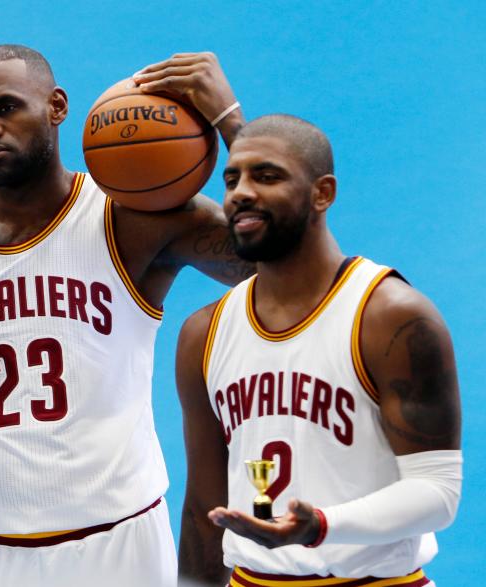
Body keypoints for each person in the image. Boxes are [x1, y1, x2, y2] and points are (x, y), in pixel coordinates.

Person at [0, 45, 252, 587]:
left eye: (6, 107)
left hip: (119, 542)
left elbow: (282, 265)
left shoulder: (129, 221)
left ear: (57, 106)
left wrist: (233, 125)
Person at [174, 115, 462, 585]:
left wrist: (322, 526)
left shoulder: (390, 315)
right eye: (232, 179)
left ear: (322, 193)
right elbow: (205, 507)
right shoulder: (204, 333)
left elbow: (439, 492)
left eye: (266, 176)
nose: (240, 193)